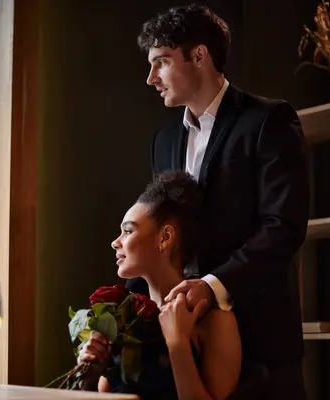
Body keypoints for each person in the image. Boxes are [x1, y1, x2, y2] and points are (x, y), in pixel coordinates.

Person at [131, 4, 310, 399]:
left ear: (200, 56)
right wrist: (130, 317)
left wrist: (214, 286)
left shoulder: (268, 120)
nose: (150, 79)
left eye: (160, 63)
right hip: (189, 341)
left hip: (262, 343)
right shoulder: (163, 142)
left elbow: (284, 226)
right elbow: (163, 234)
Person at [78, 170, 242, 399]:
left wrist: (177, 344)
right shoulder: (126, 319)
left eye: (128, 231)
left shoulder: (215, 322)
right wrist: (90, 373)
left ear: (165, 236)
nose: (116, 242)